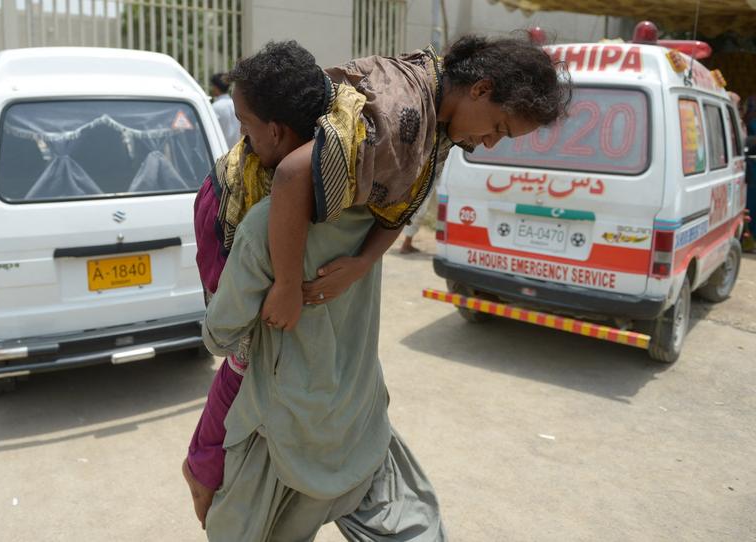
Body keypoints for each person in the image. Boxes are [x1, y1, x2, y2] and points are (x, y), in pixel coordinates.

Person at [184, 40, 400, 529]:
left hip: (266, 399)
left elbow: (221, 333)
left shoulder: (247, 209)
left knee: (204, 481)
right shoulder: (370, 200)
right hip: (351, 407)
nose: (243, 138)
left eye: (245, 125)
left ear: (276, 131)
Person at [259, 35, 571, 331]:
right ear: (481, 89)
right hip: (263, 234)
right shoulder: (399, 114)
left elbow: (404, 202)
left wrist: (363, 262)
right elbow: (292, 174)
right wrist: (287, 286)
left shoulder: (442, 114)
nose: (490, 143)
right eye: (498, 128)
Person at [210, 72, 241, 149]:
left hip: (220, 150)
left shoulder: (215, 107)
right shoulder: (235, 104)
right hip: (236, 149)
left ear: (215, 88)